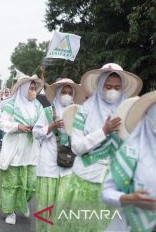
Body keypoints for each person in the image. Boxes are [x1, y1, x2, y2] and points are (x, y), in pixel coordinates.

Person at [61, 63, 143, 231]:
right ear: (100, 86)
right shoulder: (84, 111)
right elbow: (77, 147)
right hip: (87, 180)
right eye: (108, 86)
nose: (113, 91)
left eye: (117, 87)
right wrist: (104, 131)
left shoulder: (128, 114)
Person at [32, 78, 85, 232]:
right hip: (48, 164)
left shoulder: (78, 113)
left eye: (70, 92)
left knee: (63, 204)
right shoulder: (47, 111)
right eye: (64, 92)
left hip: (69, 165)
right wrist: (52, 126)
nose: (67, 95)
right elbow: (36, 133)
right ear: (57, 93)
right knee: (46, 205)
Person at [102, 91, 156, 232]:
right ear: (149, 118)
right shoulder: (131, 152)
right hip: (131, 225)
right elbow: (107, 193)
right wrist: (130, 199)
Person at [0, 75, 44, 225]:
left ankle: (21, 204)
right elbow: (2, 123)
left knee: (32, 184)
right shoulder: (11, 105)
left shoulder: (38, 106)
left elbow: (43, 124)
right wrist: (18, 127)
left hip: (32, 150)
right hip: (15, 150)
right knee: (12, 183)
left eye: (35, 88)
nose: (33, 91)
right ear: (23, 89)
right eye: (31, 88)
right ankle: (10, 212)